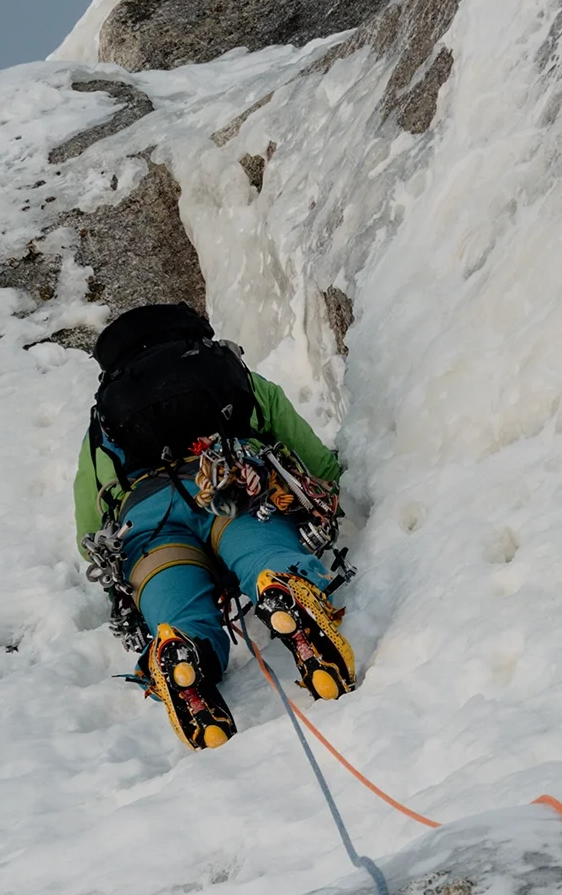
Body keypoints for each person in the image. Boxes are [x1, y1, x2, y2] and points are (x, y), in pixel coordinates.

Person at [73, 302, 356, 749]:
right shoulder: (226, 371)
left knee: (171, 591)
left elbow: (90, 521)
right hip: (231, 484)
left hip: (148, 519)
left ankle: (183, 649)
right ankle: (279, 585)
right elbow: (311, 457)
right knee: (258, 547)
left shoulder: (107, 415)